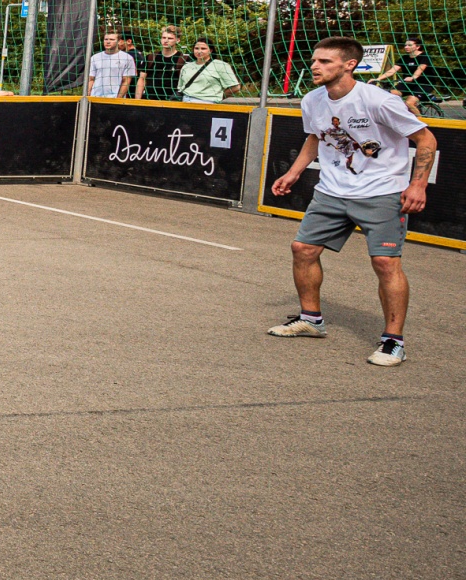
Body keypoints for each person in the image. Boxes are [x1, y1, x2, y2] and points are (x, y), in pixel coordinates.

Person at [266, 37, 436, 366]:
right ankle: (311, 320)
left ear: (349, 65)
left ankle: (393, 341)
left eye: (325, 62)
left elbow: (425, 138)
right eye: (314, 60)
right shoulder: (313, 100)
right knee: (303, 249)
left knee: (385, 263)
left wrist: (418, 185)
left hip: (381, 191)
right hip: (332, 191)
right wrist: (293, 173)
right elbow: (316, 137)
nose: (315, 66)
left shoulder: (379, 100)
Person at [374, 36, 445, 118]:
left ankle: (421, 122)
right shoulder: (404, 58)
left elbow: (420, 69)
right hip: (408, 83)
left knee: (409, 103)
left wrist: (413, 77)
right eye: (405, 45)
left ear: (418, 46)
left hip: (423, 84)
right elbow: (392, 71)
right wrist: (378, 79)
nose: (406, 47)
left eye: (409, 45)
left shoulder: (424, 57)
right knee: (389, 95)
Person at [176, 37, 240, 102]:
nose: (199, 51)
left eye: (203, 48)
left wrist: (218, 97)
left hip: (207, 102)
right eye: (196, 48)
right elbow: (180, 87)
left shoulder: (220, 65)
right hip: (185, 101)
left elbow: (235, 87)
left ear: (211, 50)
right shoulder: (186, 67)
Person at [134, 25, 188, 100]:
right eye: (163, 37)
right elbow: (142, 79)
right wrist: (137, 100)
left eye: (170, 38)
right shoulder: (151, 57)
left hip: (172, 101)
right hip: (150, 100)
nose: (166, 40)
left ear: (177, 40)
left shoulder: (183, 59)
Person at [86, 30, 136, 99]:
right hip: (95, 97)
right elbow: (91, 79)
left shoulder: (127, 58)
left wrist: (118, 98)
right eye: (106, 39)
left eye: (112, 39)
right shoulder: (95, 58)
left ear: (119, 41)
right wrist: (88, 96)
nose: (108, 42)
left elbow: (126, 81)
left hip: (114, 99)